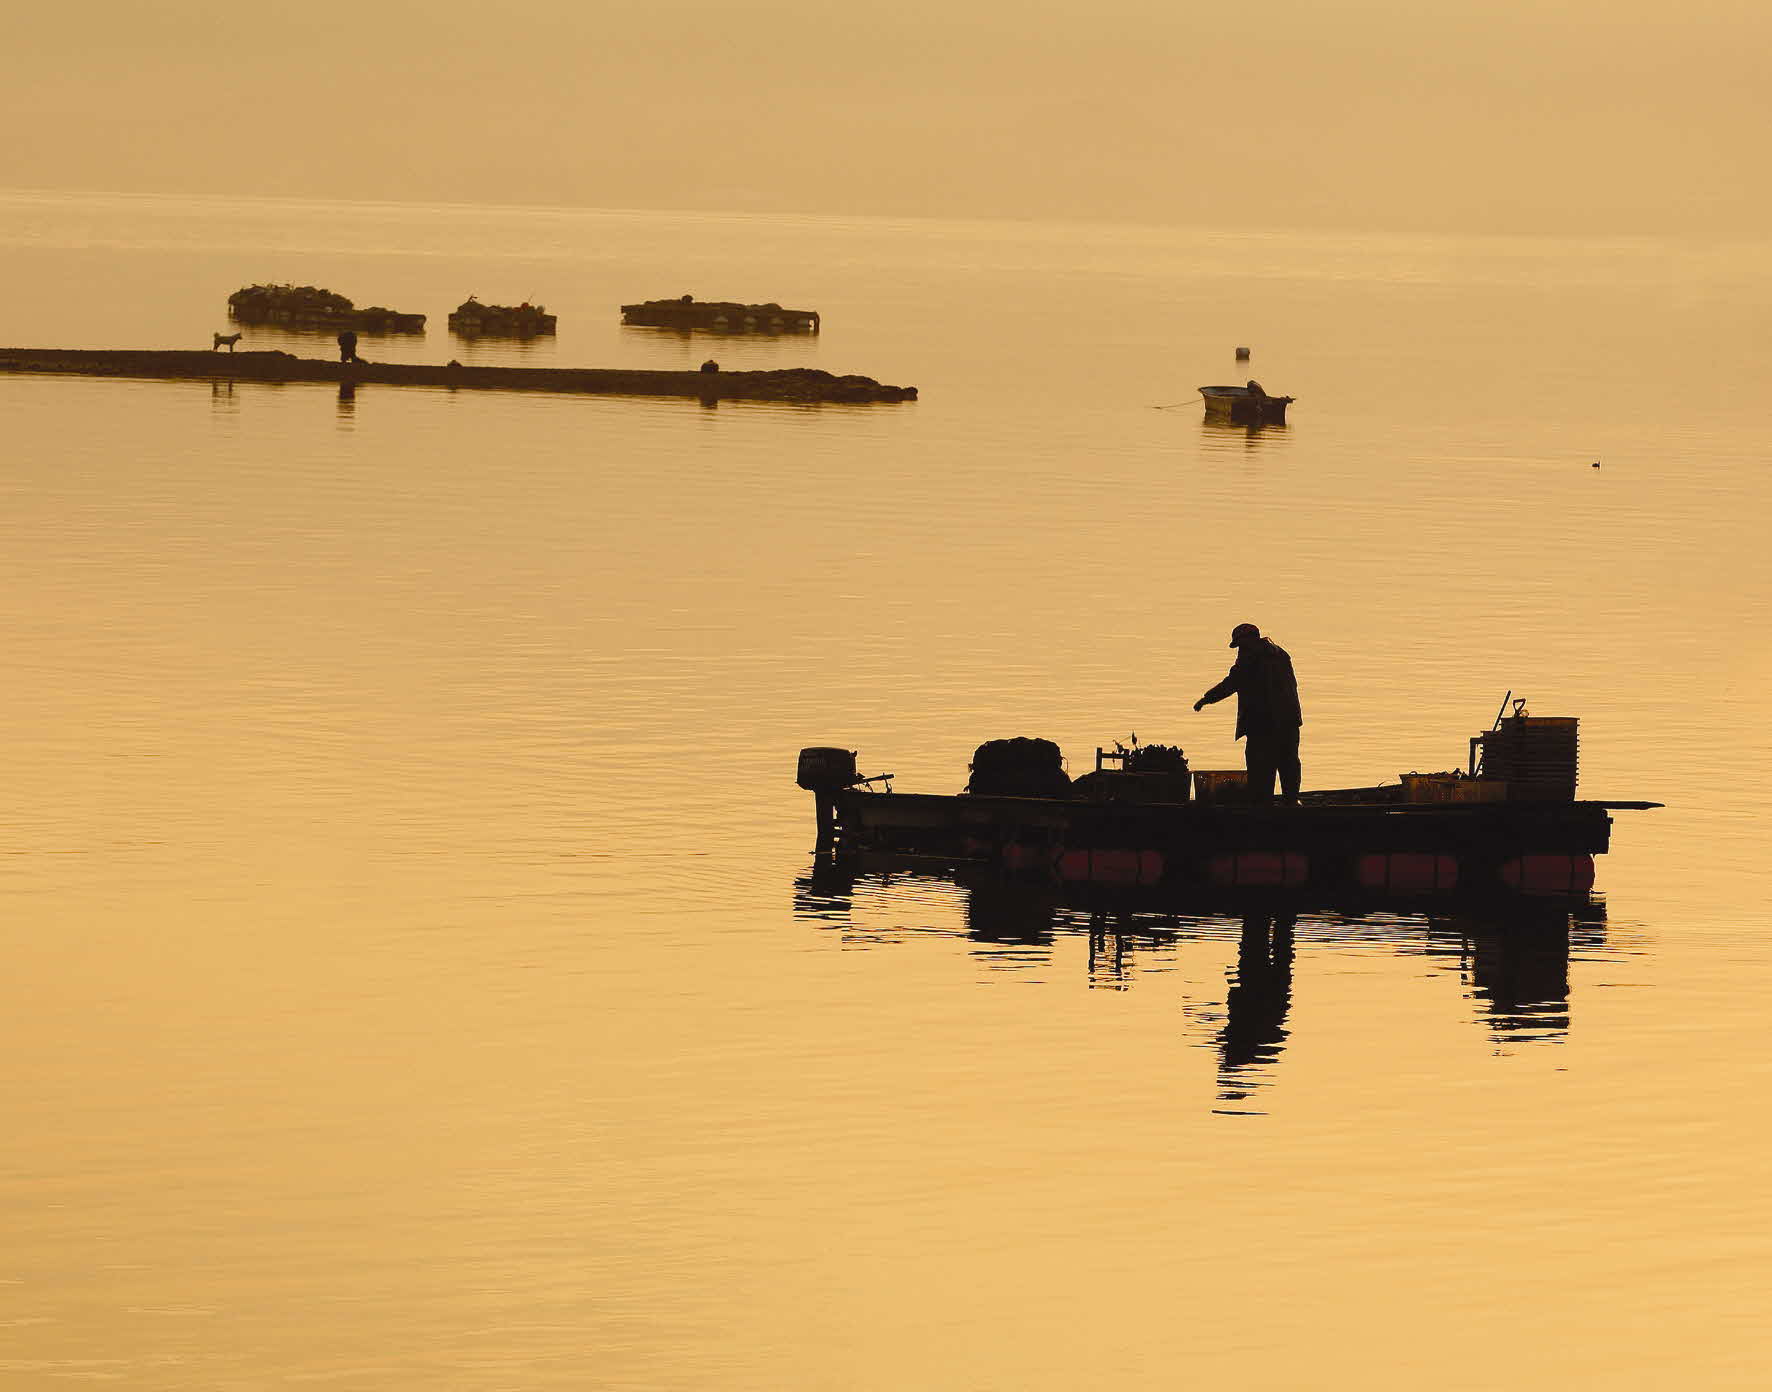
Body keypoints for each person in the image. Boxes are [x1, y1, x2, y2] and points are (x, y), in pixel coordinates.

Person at [1193, 623, 1302, 802]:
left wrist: (1205, 699)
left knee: (1261, 766)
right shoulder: (1280, 654)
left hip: (1262, 723)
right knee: (1288, 762)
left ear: (1251, 641)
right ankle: (1292, 801)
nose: (1239, 650)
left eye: (1241, 645)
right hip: (1289, 719)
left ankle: (1263, 805)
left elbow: (1231, 683)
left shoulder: (1250, 658)